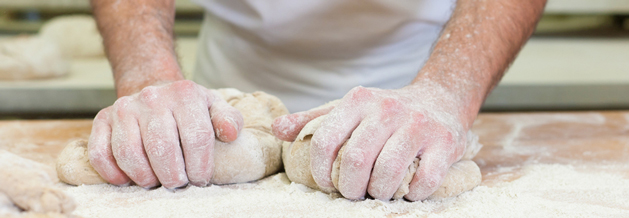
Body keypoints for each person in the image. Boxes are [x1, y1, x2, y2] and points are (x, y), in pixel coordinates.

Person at [87, 0, 546, 201]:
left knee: (405, 167)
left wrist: (446, 94)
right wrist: (150, 78)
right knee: (177, 152)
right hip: (223, 102)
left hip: (417, 85)